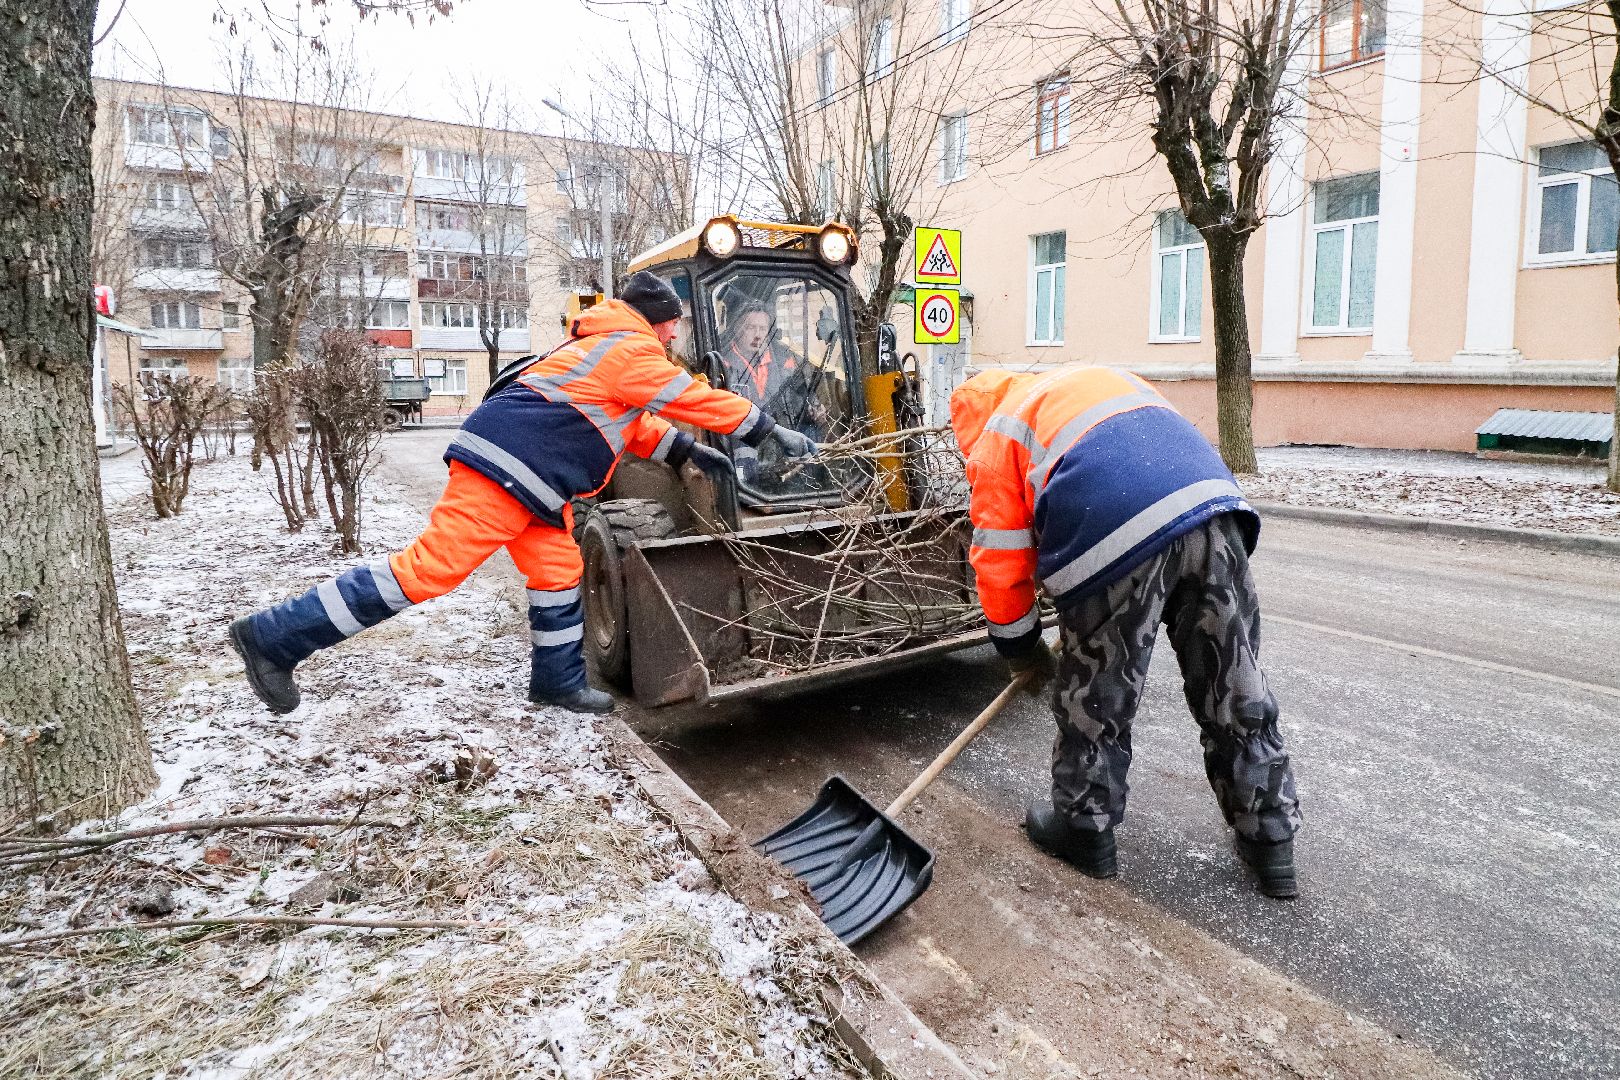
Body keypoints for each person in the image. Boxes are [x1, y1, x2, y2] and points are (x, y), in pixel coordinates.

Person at [228, 272, 817, 717]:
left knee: (559, 566)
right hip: (506, 471)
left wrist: (690, 453)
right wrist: (766, 430)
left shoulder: (602, 350)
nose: (673, 332)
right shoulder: (630, 349)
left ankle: (556, 681)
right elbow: (690, 397)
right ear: (653, 319)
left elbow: (633, 425)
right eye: (671, 322)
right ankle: (275, 637)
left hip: (532, 480)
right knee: (429, 570)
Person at [949, 367, 1302, 898]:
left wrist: (1020, 648)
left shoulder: (997, 435)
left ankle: (1085, 831)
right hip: (1212, 505)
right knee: (1234, 682)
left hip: (1111, 523)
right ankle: (1271, 840)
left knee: (1098, 694)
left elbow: (1001, 561)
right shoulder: (1086, 383)